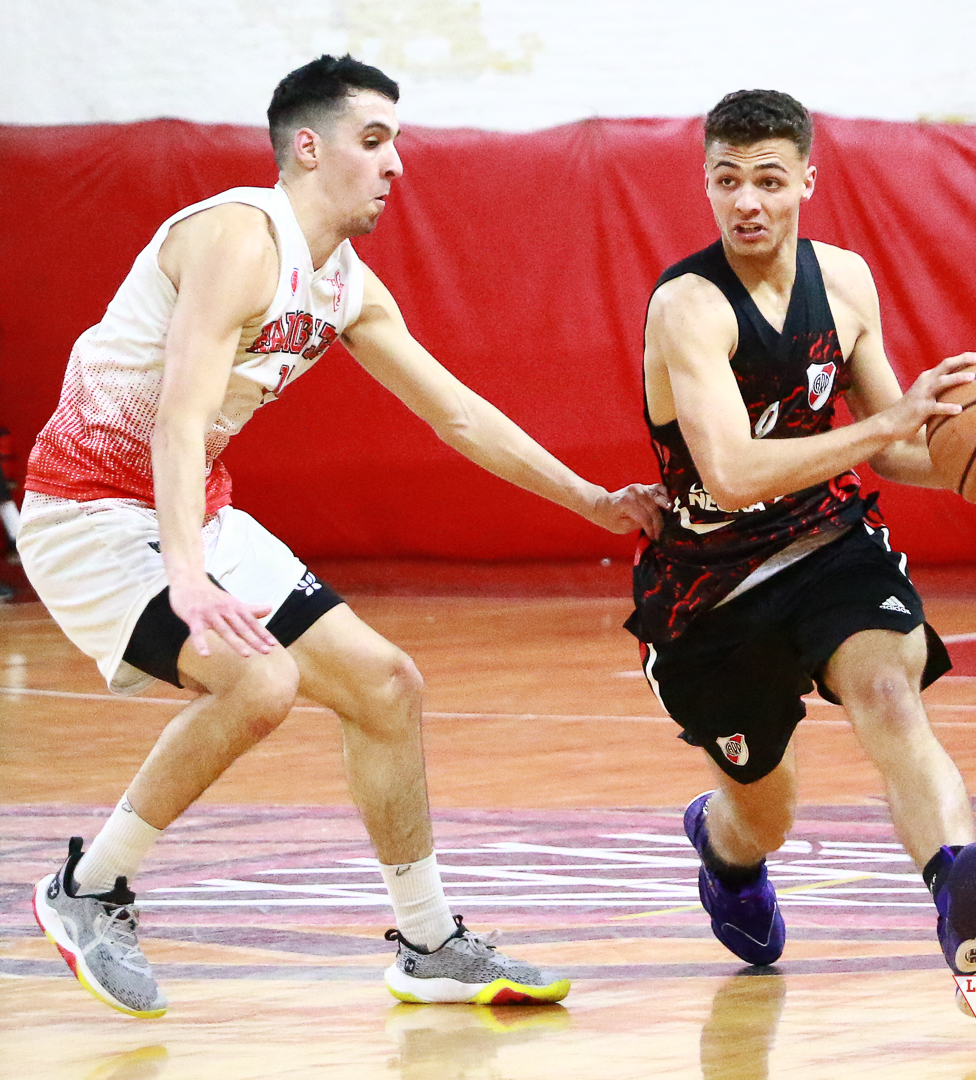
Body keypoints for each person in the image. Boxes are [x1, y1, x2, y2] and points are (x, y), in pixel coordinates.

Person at [18, 54, 666, 1018]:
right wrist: (189, 575)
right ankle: (89, 887)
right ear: (309, 148)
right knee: (261, 679)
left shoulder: (344, 284)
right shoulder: (240, 237)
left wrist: (591, 501)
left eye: (397, 140)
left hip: (190, 509)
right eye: (375, 140)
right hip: (90, 511)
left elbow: (459, 416)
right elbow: (179, 415)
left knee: (387, 685)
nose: (396, 163)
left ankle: (428, 941)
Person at [624, 90, 976, 995]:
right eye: (727, 181)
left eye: (768, 179)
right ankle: (727, 853)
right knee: (765, 817)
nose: (747, 202)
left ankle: (963, 899)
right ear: (707, 185)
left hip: (827, 542)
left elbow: (898, 443)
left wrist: (970, 455)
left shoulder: (844, 281)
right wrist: (890, 426)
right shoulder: (687, 306)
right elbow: (731, 472)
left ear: (807, 177)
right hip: (709, 586)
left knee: (889, 692)